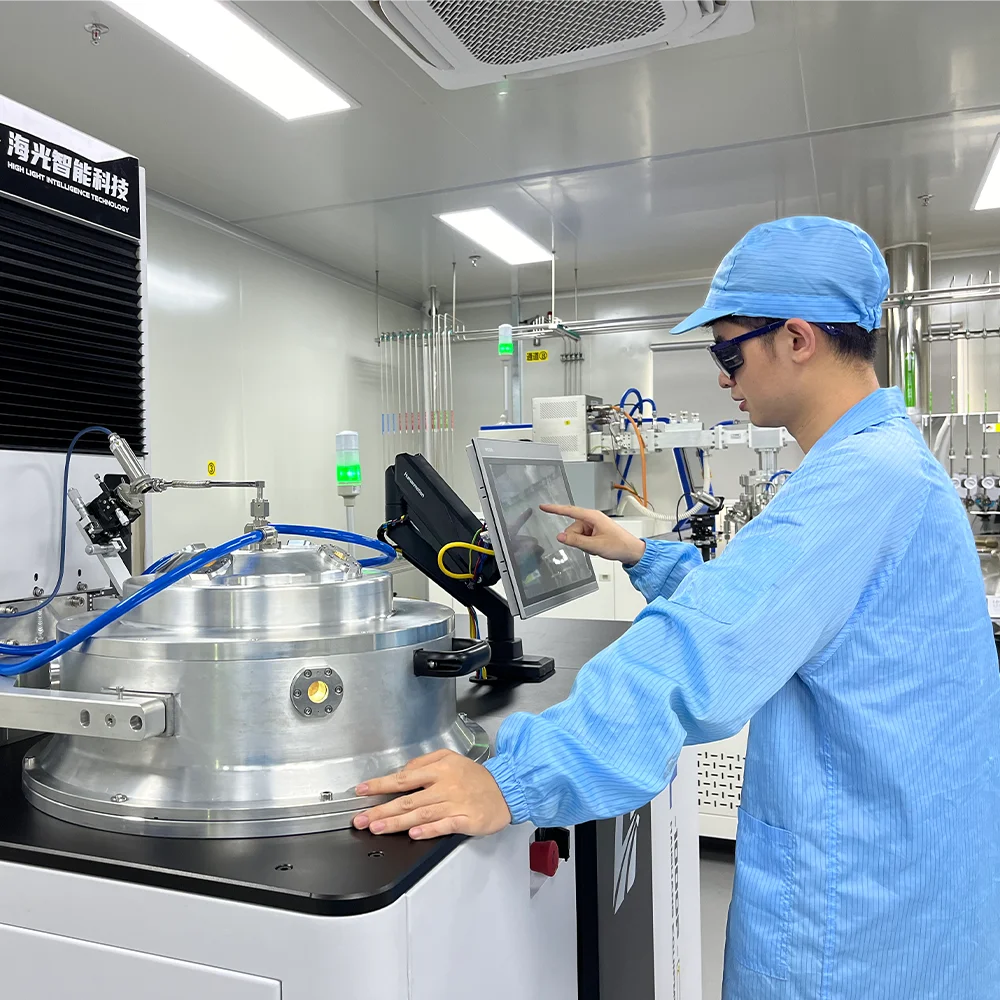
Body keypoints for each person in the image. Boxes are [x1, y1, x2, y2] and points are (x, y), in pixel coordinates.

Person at [354, 217, 1000, 998]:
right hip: (911, 891)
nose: (724, 378)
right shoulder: (892, 462)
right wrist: (644, 554)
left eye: (727, 353)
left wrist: (512, 780)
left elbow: (706, 646)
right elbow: (774, 615)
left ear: (797, 339)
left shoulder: (861, 481)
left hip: (856, 928)